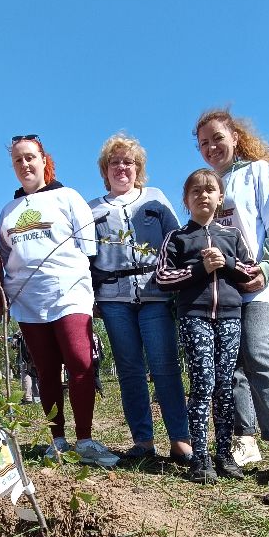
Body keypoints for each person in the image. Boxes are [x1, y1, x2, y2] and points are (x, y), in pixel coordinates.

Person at [194, 109, 269, 482]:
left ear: (235, 138)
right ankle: (245, 437)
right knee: (232, 362)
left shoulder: (256, 172)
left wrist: (267, 267)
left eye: (217, 138)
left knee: (257, 351)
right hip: (223, 292)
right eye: (204, 143)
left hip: (259, 284)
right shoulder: (208, 186)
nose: (211, 147)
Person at [0, 135, 118, 468]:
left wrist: (89, 290)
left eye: (30, 158)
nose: (25, 165)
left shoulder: (68, 198)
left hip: (69, 293)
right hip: (28, 301)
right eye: (18, 160)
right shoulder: (8, 212)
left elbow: (88, 248)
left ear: (44, 160)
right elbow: (6, 257)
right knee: (45, 372)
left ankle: (85, 439)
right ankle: (58, 441)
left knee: (80, 364)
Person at [89, 133, 192, 464]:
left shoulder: (155, 199)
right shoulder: (92, 209)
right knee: (129, 369)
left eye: (128, 162)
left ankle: (180, 439)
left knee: (164, 365)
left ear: (138, 169)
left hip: (155, 293)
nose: (121, 167)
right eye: (115, 162)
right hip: (113, 298)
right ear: (105, 169)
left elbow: (177, 241)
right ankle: (143, 442)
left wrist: (182, 282)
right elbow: (85, 257)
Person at [156, 168, 255, 482]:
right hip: (194, 317)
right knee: (203, 385)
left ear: (220, 197)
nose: (203, 195)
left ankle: (224, 455)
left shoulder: (232, 236)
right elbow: (162, 277)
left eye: (210, 189)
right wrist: (199, 269)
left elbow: (251, 273)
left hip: (229, 317)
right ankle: (200, 457)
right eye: (195, 191)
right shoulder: (178, 238)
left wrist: (226, 263)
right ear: (186, 200)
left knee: (225, 388)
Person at [14, 331, 40, 404]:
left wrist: (15, 337)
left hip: (27, 357)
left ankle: (28, 398)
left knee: (27, 376)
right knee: (35, 378)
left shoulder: (25, 326)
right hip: (36, 355)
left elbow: (19, 333)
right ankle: (37, 399)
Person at [91, 329, 105, 396]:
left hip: (90, 358)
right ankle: (99, 390)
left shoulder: (87, 335)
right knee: (96, 375)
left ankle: (99, 391)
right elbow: (102, 346)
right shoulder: (97, 335)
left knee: (91, 376)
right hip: (97, 358)